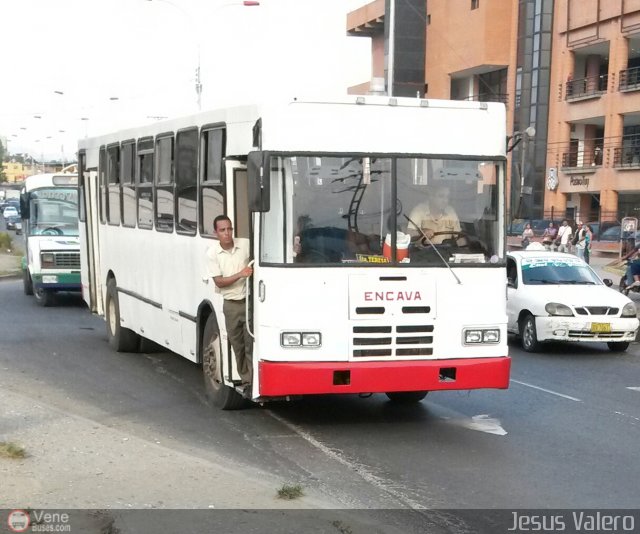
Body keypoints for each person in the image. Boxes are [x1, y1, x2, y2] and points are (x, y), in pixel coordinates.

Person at [205, 215, 253, 397]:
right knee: (237, 344)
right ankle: (245, 378)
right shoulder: (212, 254)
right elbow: (219, 282)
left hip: (248, 301)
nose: (227, 233)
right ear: (216, 233)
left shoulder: (245, 245)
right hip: (231, 305)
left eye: (229, 229)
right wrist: (240, 274)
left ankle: (252, 381)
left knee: (250, 342)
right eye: (223, 230)